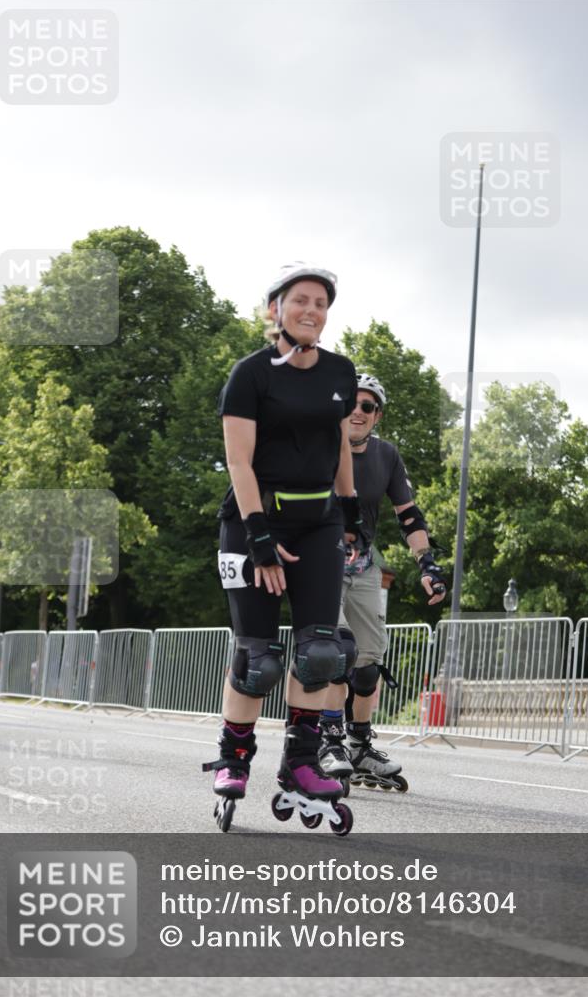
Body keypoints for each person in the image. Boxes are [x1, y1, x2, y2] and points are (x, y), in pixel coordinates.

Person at [203, 263, 366, 834]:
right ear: (276, 308)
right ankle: (233, 757)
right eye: (301, 300)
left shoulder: (340, 372)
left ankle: (300, 762)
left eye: (321, 303)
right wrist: (260, 540)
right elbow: (238, 461)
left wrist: (350, 513)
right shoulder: (249, 375)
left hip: (318, 522)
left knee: (322, 652)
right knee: (258, 659)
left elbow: (339, 448)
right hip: (255, 522)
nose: (312, 311)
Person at [318, 372, 447, 791]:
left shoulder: (386, 455)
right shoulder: (319, 447)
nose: (357, 411)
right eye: (351, 404)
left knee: (368, 664)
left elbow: (408, 515)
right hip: (320, 563)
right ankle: (329, 741)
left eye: (367, 406)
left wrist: (427, 565)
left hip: (364, 564)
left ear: (377, 416)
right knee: (338, 651)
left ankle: (358, 745)